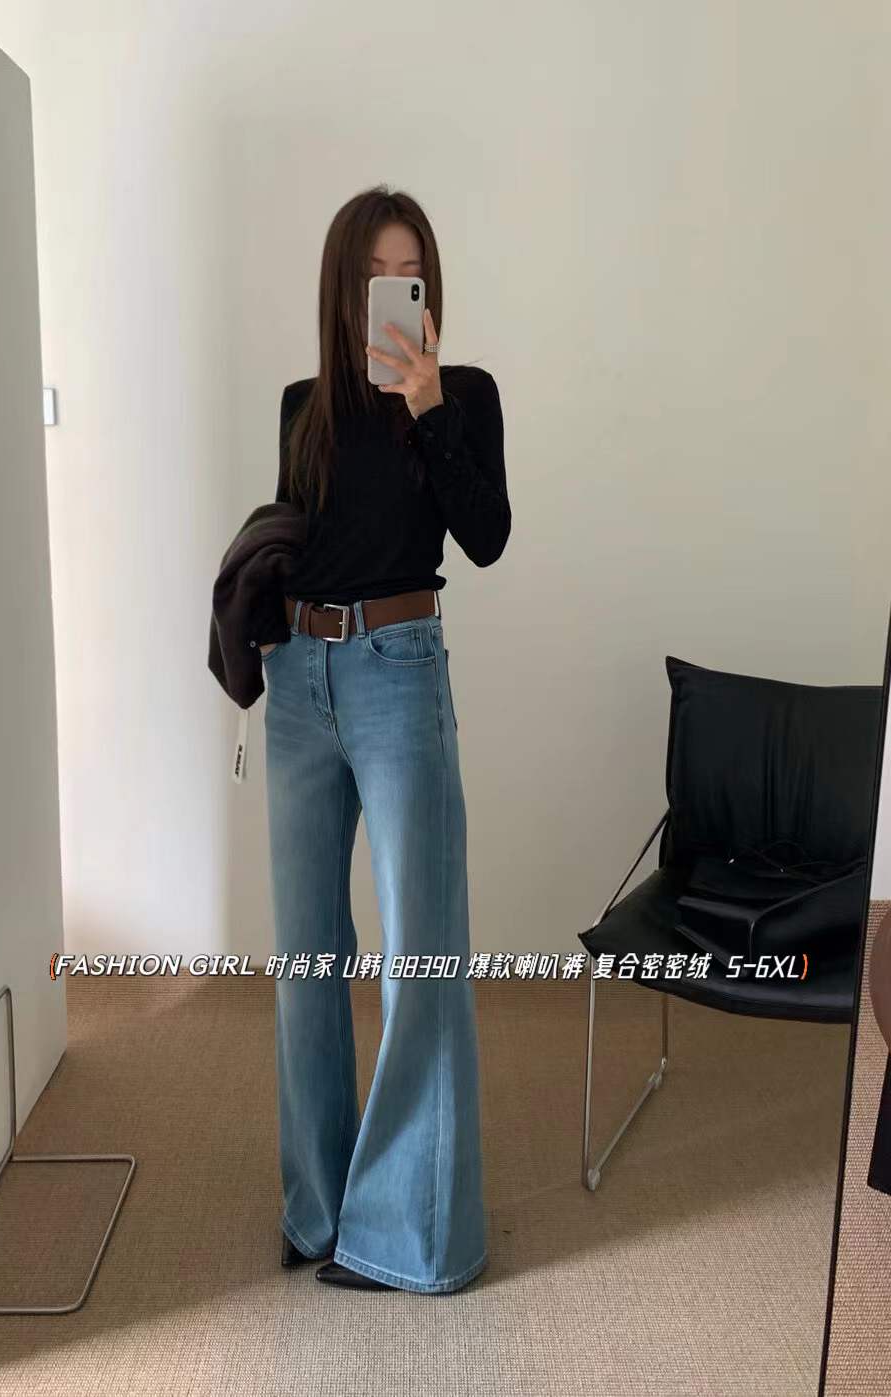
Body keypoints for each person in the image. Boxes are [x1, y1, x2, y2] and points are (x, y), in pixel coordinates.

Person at [258, 184, 511, 1294]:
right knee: (307, 955)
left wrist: (430, 407)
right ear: (343, 291)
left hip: (401, 670)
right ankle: (317, 1205)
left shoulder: (464, 395)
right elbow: (302, 537)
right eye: (375, 278)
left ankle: (413, 1235)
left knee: (422, 950)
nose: (393, 294)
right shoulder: (301, 407)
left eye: (410, 276)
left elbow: (487, 536)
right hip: (298, 680)